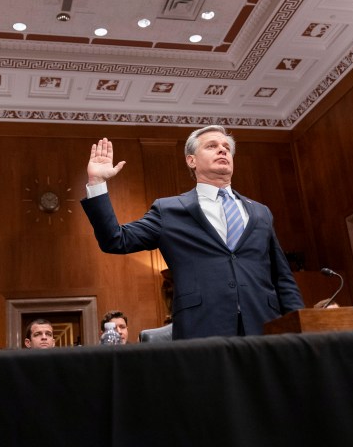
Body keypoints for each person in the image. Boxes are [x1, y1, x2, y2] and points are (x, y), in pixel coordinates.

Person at [81, 125, 303, 339]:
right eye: (211, 146)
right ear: (191, 160)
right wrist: (98, 182)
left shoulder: (260, 212)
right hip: (201, 328)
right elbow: (115, 240)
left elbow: (282, 277)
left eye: (226, 146)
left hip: (265, 326)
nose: (222, 149)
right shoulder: (169, 210)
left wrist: (301, 328)